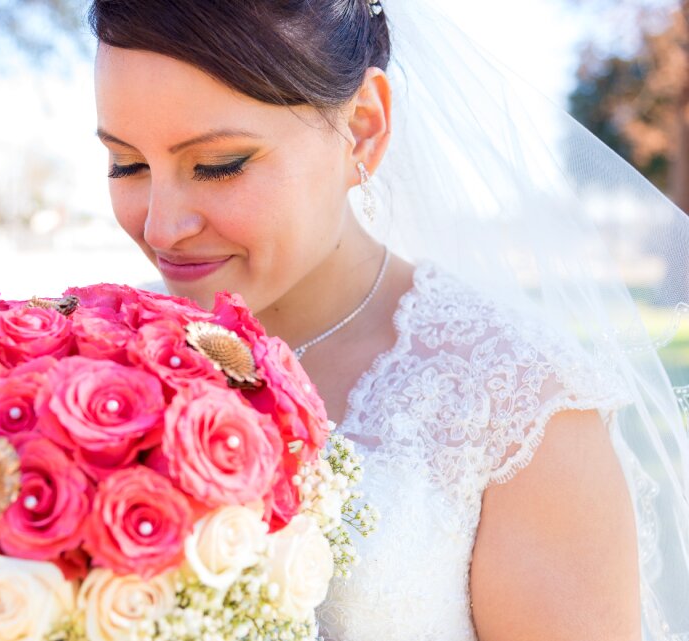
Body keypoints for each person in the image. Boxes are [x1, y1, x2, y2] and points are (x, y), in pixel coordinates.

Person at [88, 1, 689, 640]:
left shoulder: (519, 406)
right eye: (128, 164)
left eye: (218, 164)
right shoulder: (89, 356)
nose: (159, 227)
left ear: (365, 127)